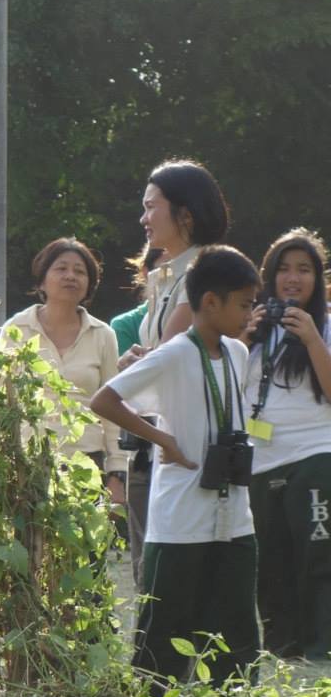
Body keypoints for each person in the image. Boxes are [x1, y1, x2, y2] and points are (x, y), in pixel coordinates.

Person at [93, 246, 262, 692]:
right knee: (164, 632)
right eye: (243, 304)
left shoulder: (238, 355)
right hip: (180, 521)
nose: (250, 314)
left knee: (238, 626)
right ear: (211, 302)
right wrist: (162, 438)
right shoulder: (173, 354)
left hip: (234, 513)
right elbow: (104, 399)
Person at [117, 161, 231, 584]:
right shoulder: (164, 275)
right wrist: (138, 360)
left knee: (172, 575)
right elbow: (156, 356)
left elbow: (167, 356)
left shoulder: (203, 273)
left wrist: (137, 363)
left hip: (184, 444)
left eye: (151, 207)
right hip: (152, 440)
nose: (143, 219)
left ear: (185, 212)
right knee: (148, 573)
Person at [244, 229, 331, 659]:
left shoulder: (326, 322)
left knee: (319, 556)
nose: (293, 278)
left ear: (318, 278)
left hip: (316, 454)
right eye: (283, 269)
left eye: (304, 269)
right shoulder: (254, 324)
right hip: (260, 460)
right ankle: (281, 648)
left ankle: (321, 650)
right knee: (270, 563)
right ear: (269, 276)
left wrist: (313, 337)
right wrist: (245, 336)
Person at [0, 238, 129, 504]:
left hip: (87, 465)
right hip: (28, 465)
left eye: (80, 271)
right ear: (42, 281)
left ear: (90, 284)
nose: (70, 276)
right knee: (32, 545)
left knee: (84, 545)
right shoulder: (17, 329)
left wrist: (117, 472)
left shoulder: (103, 335)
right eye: (61, 268)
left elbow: (114, 409)